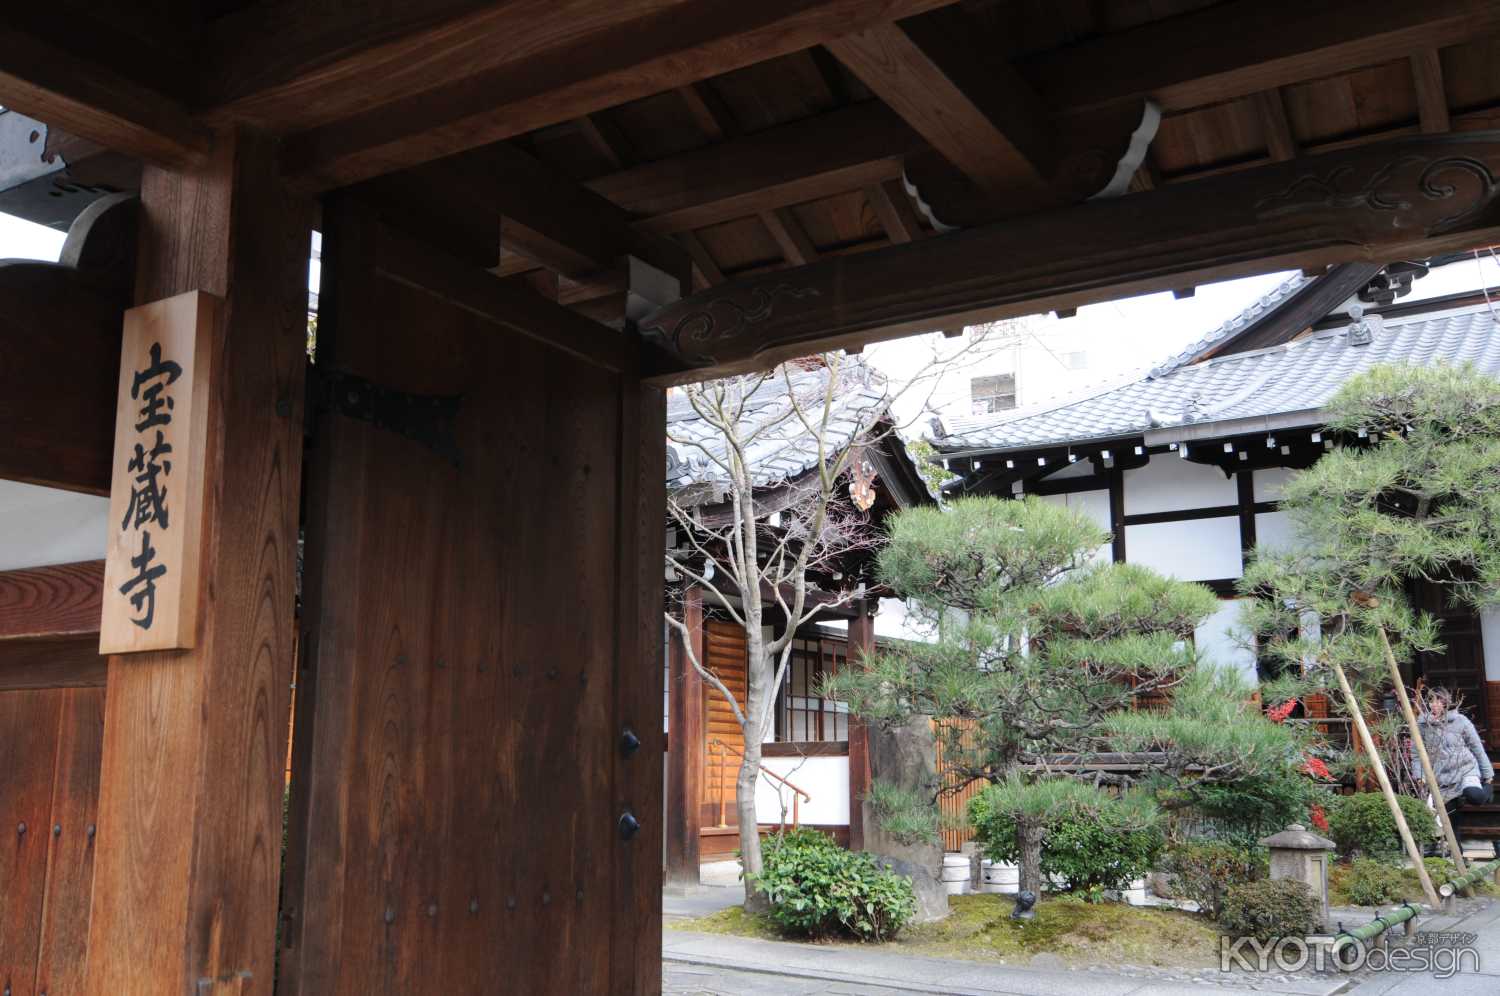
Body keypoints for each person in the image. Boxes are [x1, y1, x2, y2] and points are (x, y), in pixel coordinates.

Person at [1412, 687, 1495, 857]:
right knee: (1451, 820)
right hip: (1442, 776)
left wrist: (1488, 775)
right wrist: (1419, 776)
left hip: (1465, 768)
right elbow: (1416, 753)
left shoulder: (1460, 721)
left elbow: (1476, 747)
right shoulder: (1422, 724)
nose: (1434, 704)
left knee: (1475, 796)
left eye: (1438, 701)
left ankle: (1488, 791)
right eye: (1431, 701)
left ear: (1446, 703)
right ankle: (1459, 856)